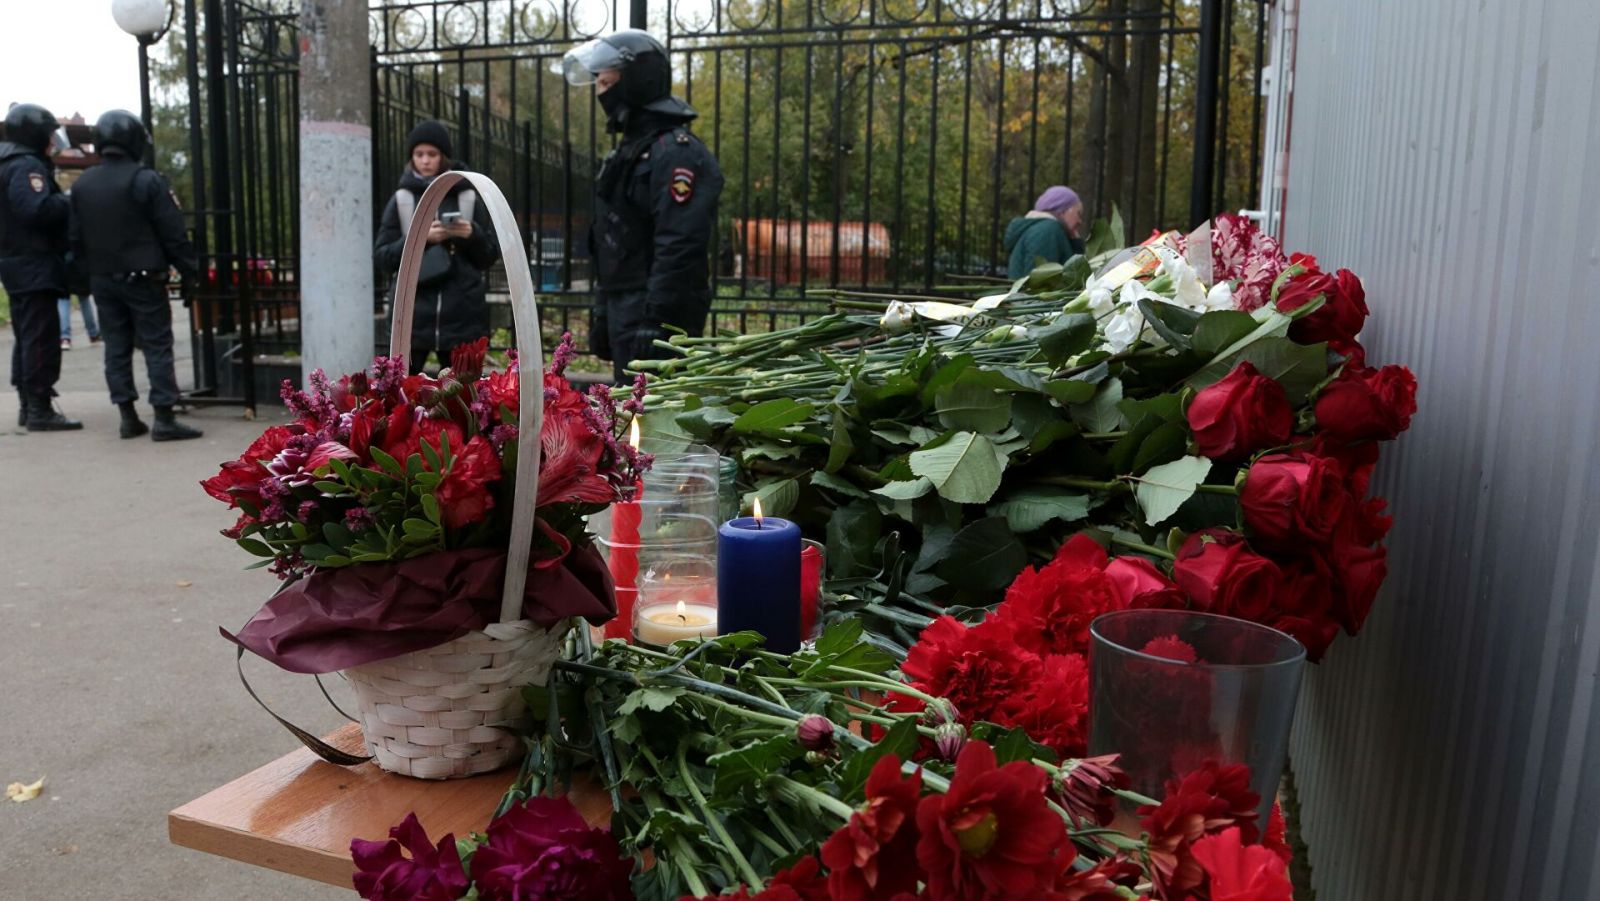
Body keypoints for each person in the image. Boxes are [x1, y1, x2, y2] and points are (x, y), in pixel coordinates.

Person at [560, 29, 724, 384]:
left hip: (661, 308)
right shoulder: (630, 151)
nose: (601, 91)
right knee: (627, 405)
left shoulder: (676, 152)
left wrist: (658, 319)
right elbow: (610, 236)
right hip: (627, 304)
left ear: (638, 79)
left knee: (657, 409)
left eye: (608, 81)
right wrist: (603, 308)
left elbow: (680, 244)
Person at [69, 109, 202, 441]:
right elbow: (172, 232)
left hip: (103, 279)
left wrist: (83, 278)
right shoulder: (146, 180)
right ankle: (164, 416)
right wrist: (189, 270)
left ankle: (127, 416)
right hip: (144, 278)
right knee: (157, 345)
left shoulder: (82, 185)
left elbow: (74, 238)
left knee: (116, 347)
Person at [373, 121, 499, 375]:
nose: (425, 161)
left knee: (463, 392)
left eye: (432, 154)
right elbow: (383, 258)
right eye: (419, 154)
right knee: (402, 389)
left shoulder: (467, 197)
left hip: (461, 314)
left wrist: (471, 234)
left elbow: (489, 256)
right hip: (413, 314)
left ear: (443, 157)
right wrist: (420, 238)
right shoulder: (402, 199)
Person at [1, 103, 81, 431]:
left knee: (27, 336)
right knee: (40, 338)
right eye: (48, 135)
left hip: (17, 261)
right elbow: (35, 209)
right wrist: (68, 200)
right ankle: (39, 408)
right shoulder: (26, 166)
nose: (51, 141)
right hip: (34, 263)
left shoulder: (9, 163)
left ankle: (29, 404)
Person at [1004, 185, 1086, 280]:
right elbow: (1041, 282)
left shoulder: (1045, 230)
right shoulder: (1048, 231)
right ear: (1063, 211)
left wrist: (1075, 242)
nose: (1080, 221)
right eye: (1078, 213)